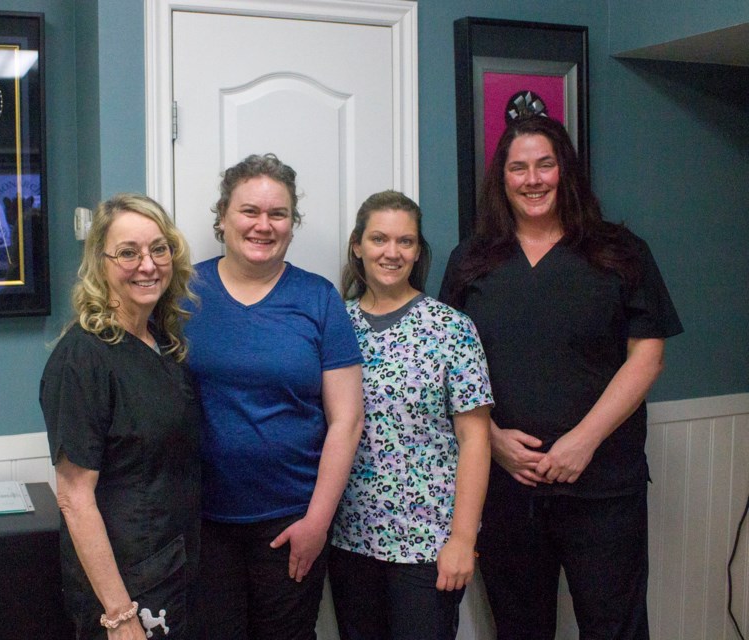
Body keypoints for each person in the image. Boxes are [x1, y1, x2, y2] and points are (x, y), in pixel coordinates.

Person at [439, 115, 683, 639]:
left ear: (564, 171)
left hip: (602, 485)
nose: (533, 179)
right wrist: (492, 439)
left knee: (614, 626)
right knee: (519, 628)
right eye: (518, 167)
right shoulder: (471, 261)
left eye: (545, 165)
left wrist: (582, 441)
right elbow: (448, 368)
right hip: (506, 486)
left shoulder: (619, 251)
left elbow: (648, 357)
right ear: (501, 179)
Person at [182, 153, 364, 639]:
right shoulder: (182, 293)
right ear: (222, 217)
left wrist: (318, 523)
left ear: (291, 223)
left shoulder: (318, 298)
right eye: (249, 211)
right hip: (202, 521)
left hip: (291, 520)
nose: (263, 225)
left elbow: (347, 420)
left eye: (277, 214)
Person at [328, 190, 493, 640]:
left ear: (418, 251)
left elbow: (475, 440)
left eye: (405, 241)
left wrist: (463, 540)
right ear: (357, 245)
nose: (392, 252)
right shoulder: (334, 325)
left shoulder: (451, 328)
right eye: (379, 239)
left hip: (427, 544)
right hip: (349, 538)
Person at [39, 194, 202, 640]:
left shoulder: (162, 343)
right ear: (101, 262)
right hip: (126, 586)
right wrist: (119, 614)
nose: (147, 265)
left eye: (159, 249)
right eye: (128, 252)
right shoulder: (84, 358)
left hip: (172, 568)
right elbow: (74, 496)